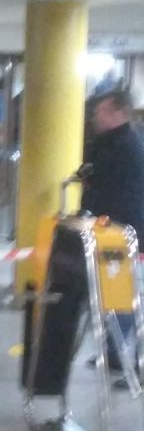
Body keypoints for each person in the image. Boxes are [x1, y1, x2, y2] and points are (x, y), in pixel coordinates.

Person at [81, 88, 144, 372]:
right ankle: (113, 351)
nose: (95, 116)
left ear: (119, 112)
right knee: (112, 290)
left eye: (101, 111)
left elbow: (120, 193)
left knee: (122, 293)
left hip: (122, 232)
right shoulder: (108, 143)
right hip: (110, 230)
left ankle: (119, 354)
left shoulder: (127, 147)